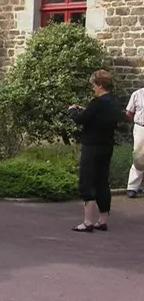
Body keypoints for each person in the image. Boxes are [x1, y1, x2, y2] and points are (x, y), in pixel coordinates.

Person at [67, 70, 121, 233]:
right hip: (107, 146)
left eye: (94, 85)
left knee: (88, 181)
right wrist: (86, 110)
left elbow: (81, 119)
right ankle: (102, 220)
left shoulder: (97, 102)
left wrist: (72, 111)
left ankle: (87, 221)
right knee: (102, 182)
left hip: (92, 146)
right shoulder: (113, 102)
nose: (93, 89)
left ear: (100, 85)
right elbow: (99, 116)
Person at [124, 86, 144, 198]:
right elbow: (129, 112)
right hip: (141, 127)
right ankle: (132, 187)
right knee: (139, 158)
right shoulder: (137, 94)